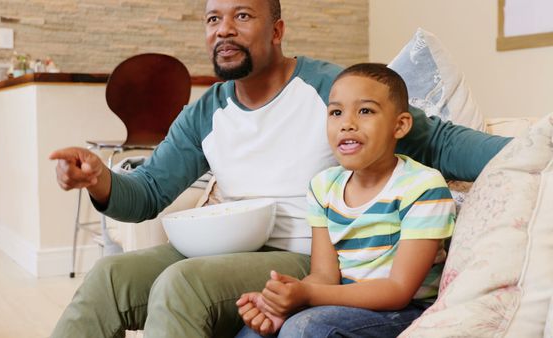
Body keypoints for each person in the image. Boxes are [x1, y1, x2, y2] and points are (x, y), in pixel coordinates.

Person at [49, 0, 510, 337]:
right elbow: (147, 192)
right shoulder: (204, 112)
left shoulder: (331, 90)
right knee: (108, 278)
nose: (224, 30)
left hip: (305, 256)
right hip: (226, 247)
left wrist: (528, 147)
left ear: (276, 29)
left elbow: (440, 140)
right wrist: (99, 179)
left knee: (180, 284)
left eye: (242, 16)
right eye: (213, 19)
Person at [235, 63, 455, 338]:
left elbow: (399, 290)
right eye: (336, 112)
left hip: (406, 312)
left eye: (365, 111)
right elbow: (324, 276)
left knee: (305, 328)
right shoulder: (323, 187)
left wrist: (308, 296)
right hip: (341, 302)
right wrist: (285, 299)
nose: (347, 123)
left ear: (399, 125)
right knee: (255, 333)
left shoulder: (421, 186)